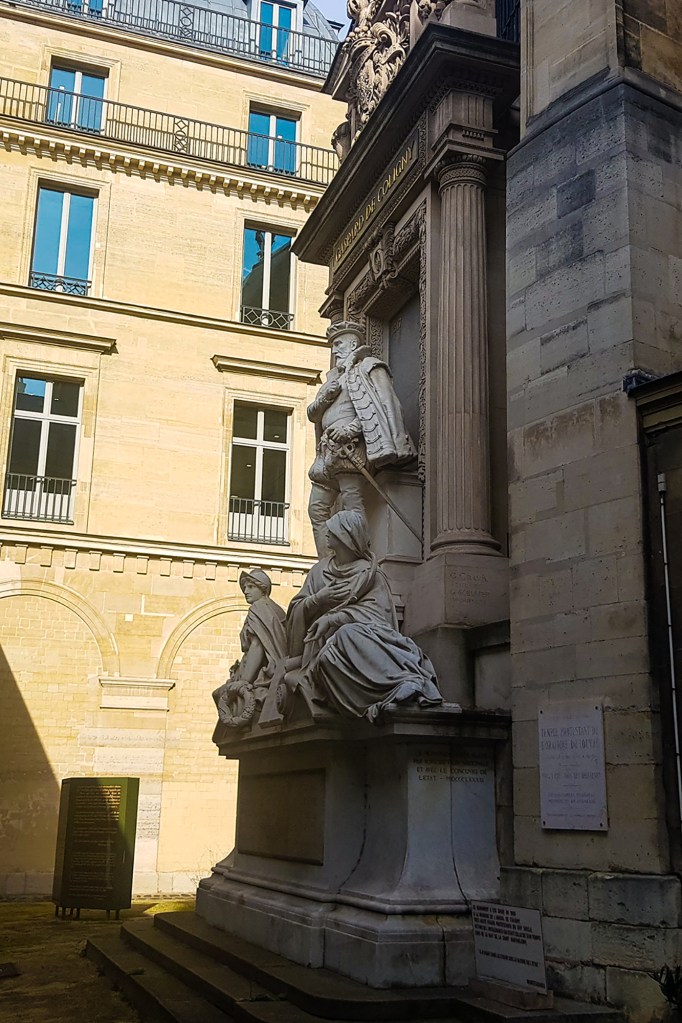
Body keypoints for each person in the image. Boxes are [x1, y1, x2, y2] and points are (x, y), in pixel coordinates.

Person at [286, 510, 441, 723]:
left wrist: (333, 619)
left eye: (332, 531)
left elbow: (379, 619)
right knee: (328, 657)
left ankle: (403, 683)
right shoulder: (319, 572)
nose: (327, 535)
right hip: (322, 649)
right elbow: (296, 609)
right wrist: (318, 599)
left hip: (366, 640)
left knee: (347, 634)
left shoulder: (370, 575)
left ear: (345, 537)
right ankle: (383, 695)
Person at [307, 321, 416, 557]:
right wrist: (326, 396)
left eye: (337, 344)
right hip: (326, 452)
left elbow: (381, 407)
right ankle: (327, 564)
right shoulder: (331, 380)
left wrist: (351, 430)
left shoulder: (368, 367)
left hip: (351, 448)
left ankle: (359, 558)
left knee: (351, 503)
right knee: (316, 509)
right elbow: (312, 414)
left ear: (353, 344)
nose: (334, 350)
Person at [212, 569, 286, 730]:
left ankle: (243, 726)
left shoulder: (258, 608)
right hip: (272, 670)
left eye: (251, 587)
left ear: (263, 589)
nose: (246, 591)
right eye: (245, 587)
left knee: (219, 694)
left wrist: (244, 682)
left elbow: (258, 646)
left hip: (262, 674)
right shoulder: (274, 609)